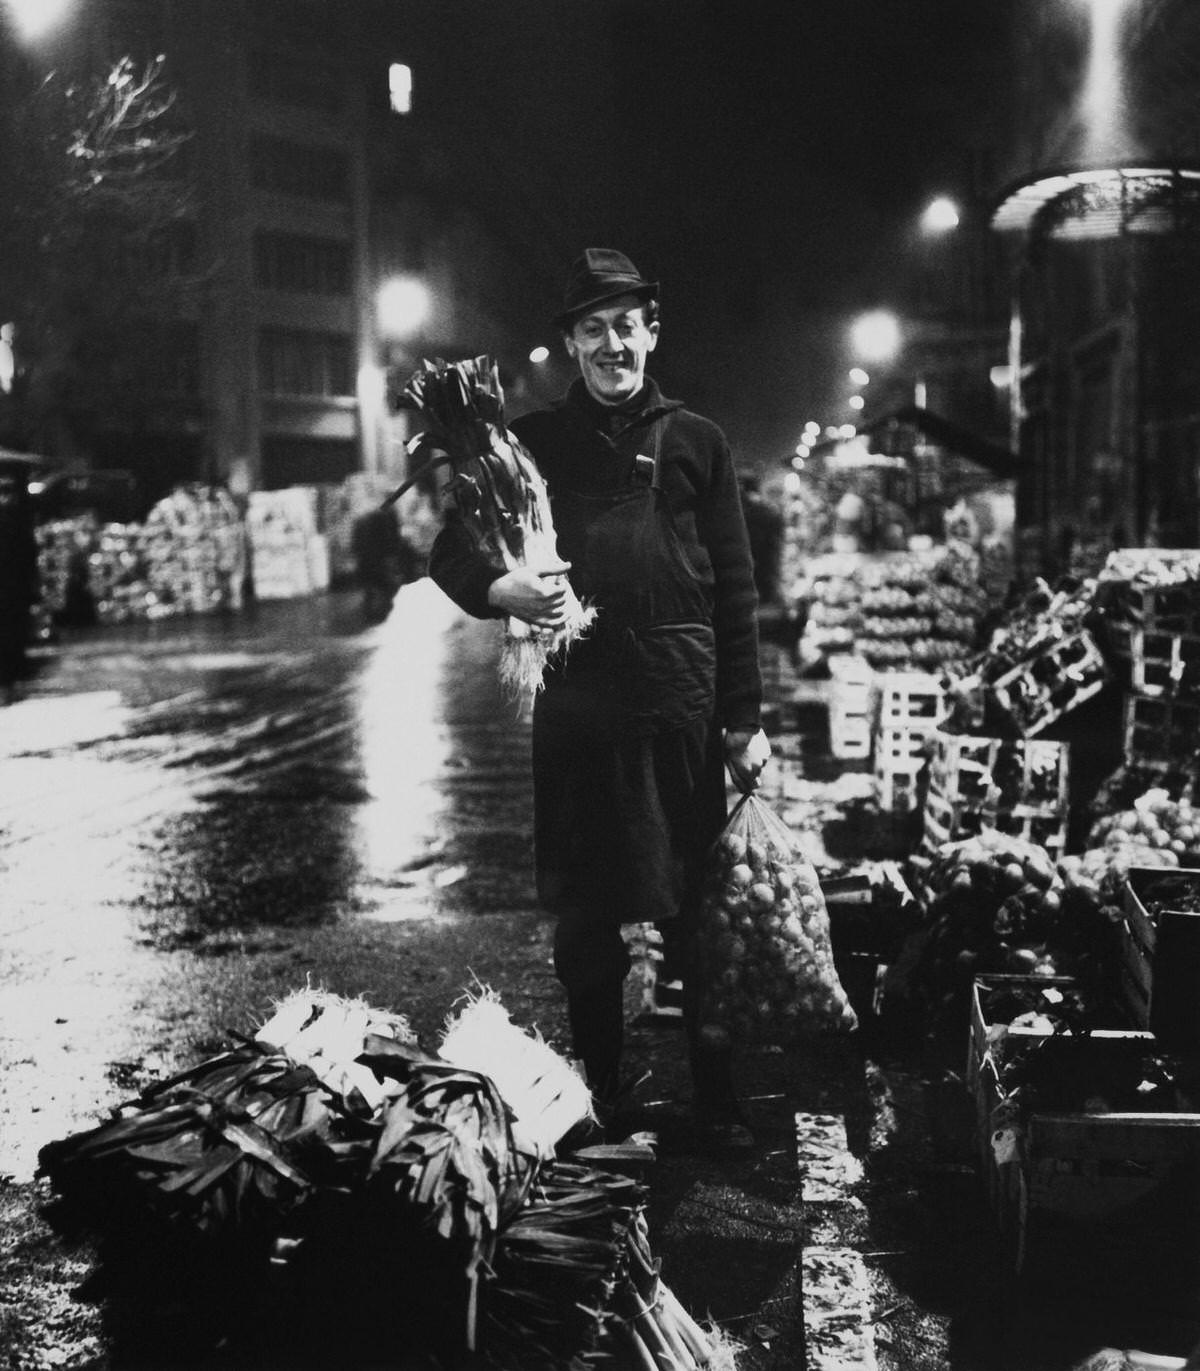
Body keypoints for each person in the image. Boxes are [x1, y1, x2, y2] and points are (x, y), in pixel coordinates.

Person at [428, 248, 771, 1148]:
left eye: (627, 325)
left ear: (652, 332)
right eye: (593, 329)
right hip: (580, 712)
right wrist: (504, 593)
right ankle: (606, 1097)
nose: (612, 343)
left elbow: (735, 587)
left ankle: (718, 1096)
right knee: (587, 920)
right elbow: (450, 554)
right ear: (572, 345)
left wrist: (747, 718)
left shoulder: (698, 440)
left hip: (682, 707)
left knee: (701, 912)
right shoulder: (530, 445)